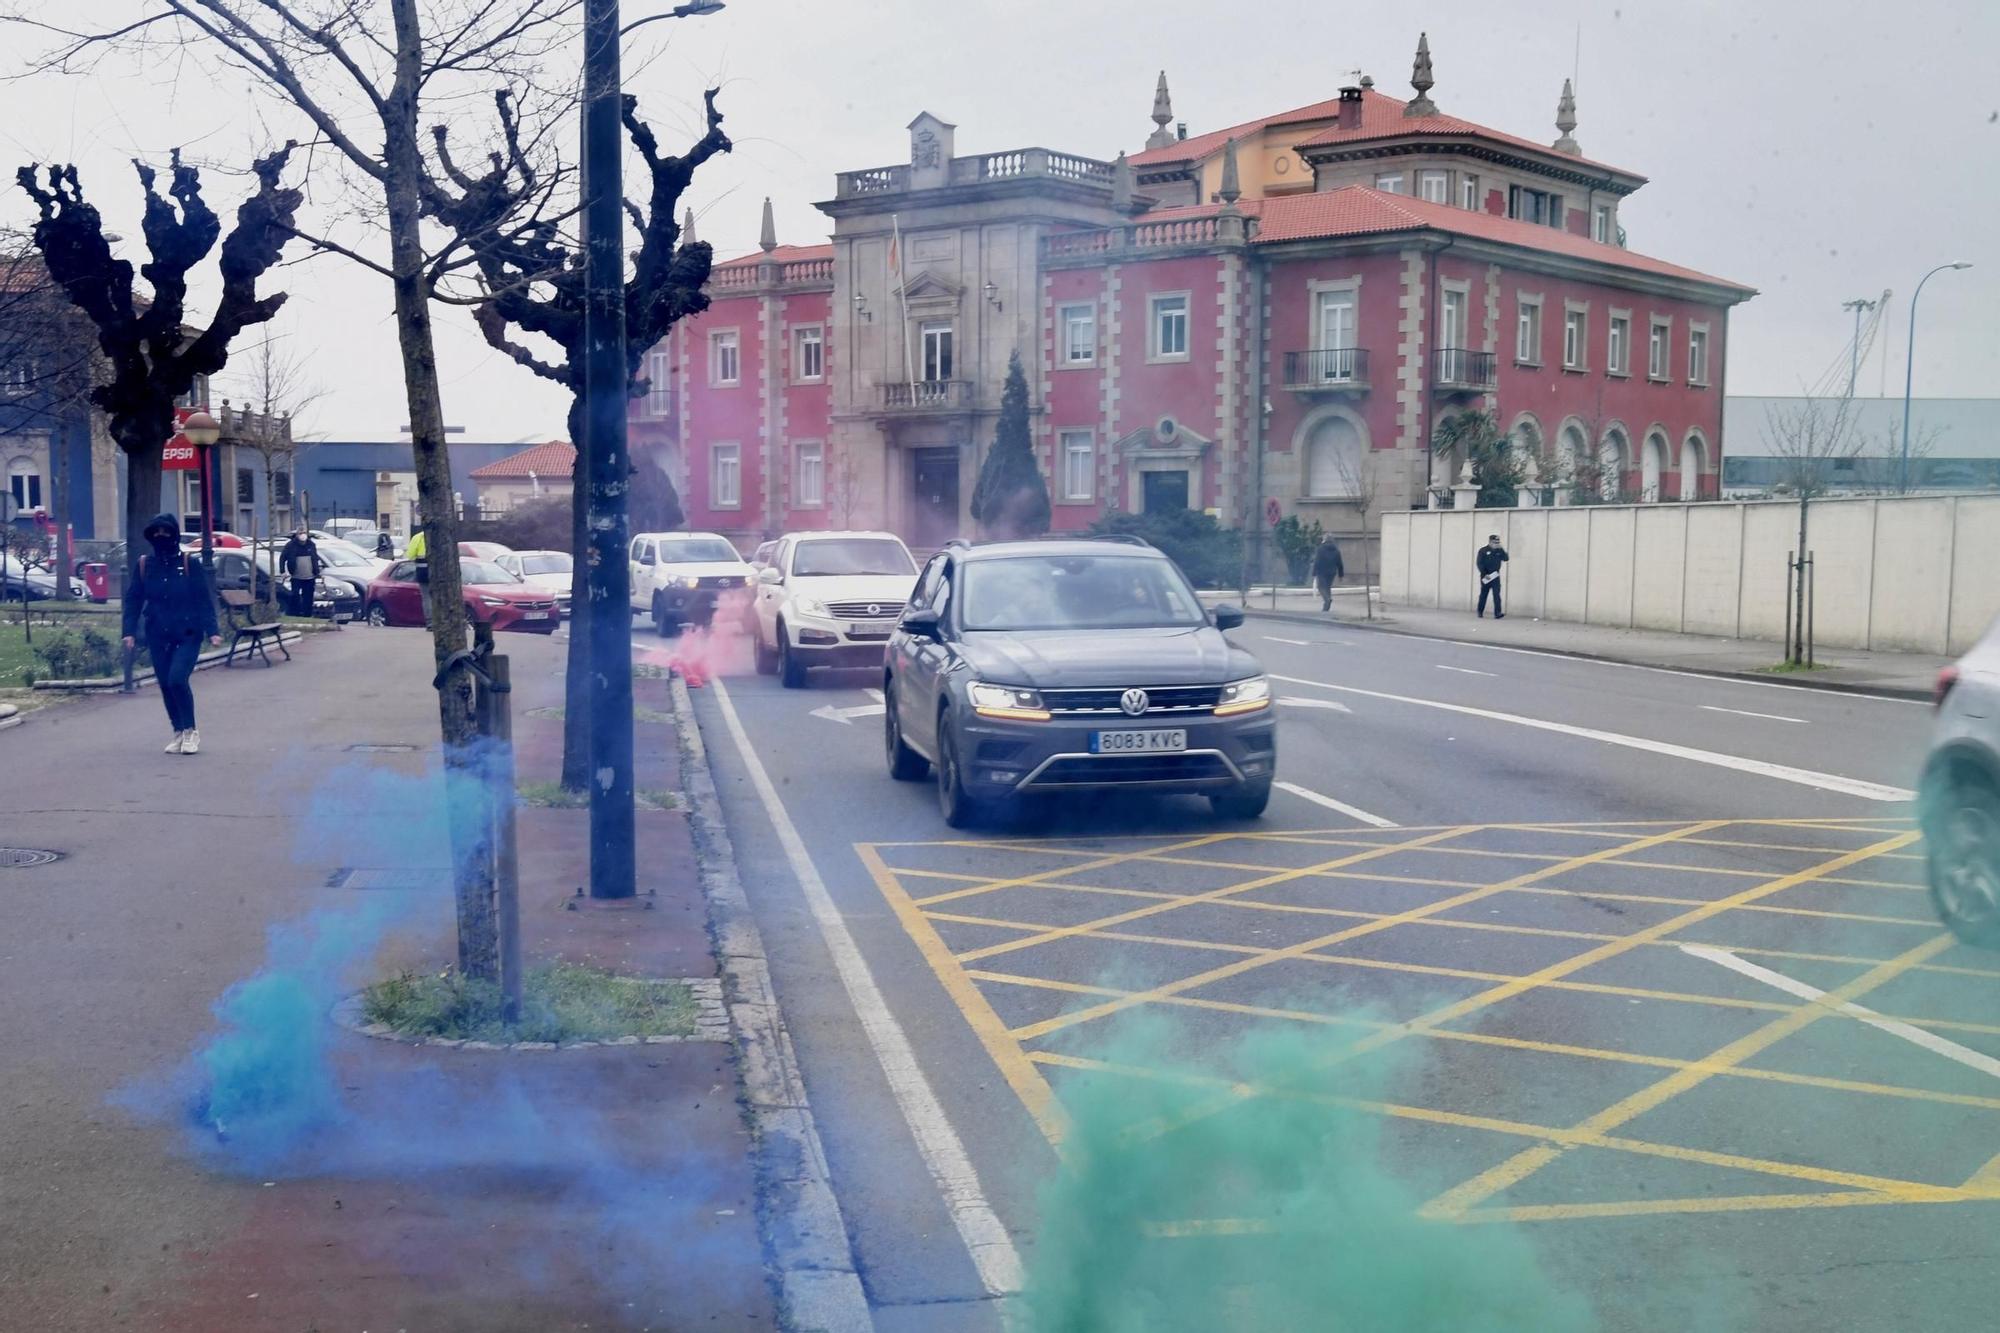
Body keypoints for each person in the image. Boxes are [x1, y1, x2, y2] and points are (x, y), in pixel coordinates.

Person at [122, 513, 221, 755]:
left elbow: (203, 599)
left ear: (174, 535)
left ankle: (191, 731)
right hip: (158, 633)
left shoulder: (189, 564)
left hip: (188, 632)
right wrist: (129, 631)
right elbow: (134, 599)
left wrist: (213, 631)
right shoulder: (145, 565)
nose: (161, 537)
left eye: (166, 532)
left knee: (177, 679)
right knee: (165, 684)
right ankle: (177, 731)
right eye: (156, 533)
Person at [278, 527, 323, 616]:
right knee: (295, 596)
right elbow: (282, 558)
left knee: (308, 597)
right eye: (300, 533)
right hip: (296, 577)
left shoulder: (311, 545)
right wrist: (282, 571)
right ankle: (295, 613)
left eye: (304, 533)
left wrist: (317, 572)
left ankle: (307, 614)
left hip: (310, 577)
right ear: (297, 535)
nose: (303, 535)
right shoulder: (290, 545)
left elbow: (315, 559)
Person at [1476, 533, 1508, 619]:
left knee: (1496, 595)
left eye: (1498, 542)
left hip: (1495, 576)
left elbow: (1506, 558)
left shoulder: (1499, 551)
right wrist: (1484, 573)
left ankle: (1498, 613)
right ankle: (1480, 611)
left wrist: (1501, 549)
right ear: (1490, 542)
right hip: (1486, 575)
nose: (1496, 543)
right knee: (1484, 594)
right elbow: (1479, 563)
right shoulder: (1483, 550)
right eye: (1495, 542)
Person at [404, 523, 431, 623]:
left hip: (423, 572)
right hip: (439, 573)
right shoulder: (438, 536)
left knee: (426, 597)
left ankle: (430, 621)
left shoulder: (418, 537)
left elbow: (410, 555)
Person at [1311, 535, 1345, 612]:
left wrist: (1314, 573)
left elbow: (1317, 561)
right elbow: (1340, 563)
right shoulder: (1336, 550)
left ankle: (1327, 600)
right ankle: (1326, 606)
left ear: (1325, 540)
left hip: (1322, 571)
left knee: (1321, 587)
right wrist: (1341, 575)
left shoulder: (1320, 549)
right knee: (1327, 587)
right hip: (1332, 572)